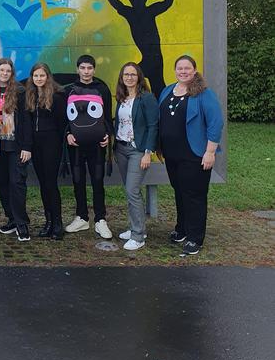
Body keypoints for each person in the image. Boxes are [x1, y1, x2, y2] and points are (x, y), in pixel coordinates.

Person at [158, 55, 223, 256]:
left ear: (194, 71)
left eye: (187, 68)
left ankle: (195, 238)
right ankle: (182, 229)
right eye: (180, 68)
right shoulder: (168, 90)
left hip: (194, 155)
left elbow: (216, 123)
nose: (183, 71)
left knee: (194, 196)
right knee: (179, 191)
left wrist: (210, 152)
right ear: (175, 70)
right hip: (172, 155)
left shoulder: (204, 94)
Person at [65, 54, 114, 239]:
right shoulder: (69, 90)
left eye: (89, 68)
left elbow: (108, 117)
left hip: (97, 146)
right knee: (78, 181)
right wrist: (67, 135)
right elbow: (65, 119)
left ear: (94, 69)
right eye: (83, 68)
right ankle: (82, 217)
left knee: (97, 181)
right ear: (78, 69)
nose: (86, 72)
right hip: (75, 147)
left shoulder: (102, 89)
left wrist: (108, 136)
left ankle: (101, 220)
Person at [113, 62, 159, 251]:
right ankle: (136, 228)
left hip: (138, 151)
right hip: (121, 149)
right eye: (126, 74)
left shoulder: (146, 98)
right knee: (130, 190)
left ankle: (138, 236)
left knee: (132, 190)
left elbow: (153, 126)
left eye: (133, 74)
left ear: (139, 77)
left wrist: (148, 152)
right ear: (122, 77)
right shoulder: (122, 97)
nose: (129, 77)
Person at [0, 58, 32, 241]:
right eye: (1, 70)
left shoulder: (20, 91)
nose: (4, 73)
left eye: (8, 71)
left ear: (12, 74)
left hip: (16, 146)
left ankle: (22, 224)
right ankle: (12, 219)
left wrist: (27, 146)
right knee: (3, 183)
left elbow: (27, 120)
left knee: (17, 183)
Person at [24, 62, 67, 240]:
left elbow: (62, 122)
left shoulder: (57, 96)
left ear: (47, 76)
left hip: (52, 144)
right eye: (36, 76)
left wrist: (57, 141)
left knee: (51, 184)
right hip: (36, 145)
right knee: (43, 184)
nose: (39, 79)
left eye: (42, 75)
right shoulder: (30, 95)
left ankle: (57, 223)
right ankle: (48, 222)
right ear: (32, 78)